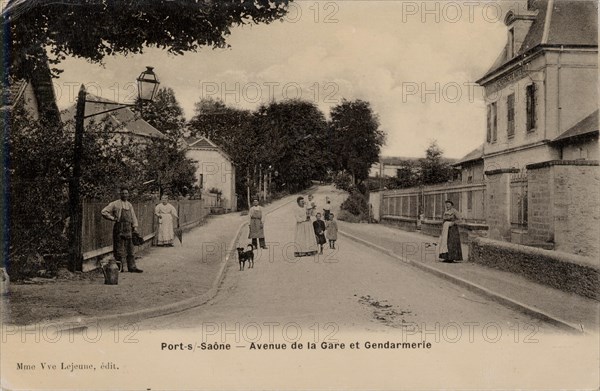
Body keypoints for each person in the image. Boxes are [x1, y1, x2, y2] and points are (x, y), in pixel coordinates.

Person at [101, 187, 143, 273]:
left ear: (128, 194)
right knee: (118, 249)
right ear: (120, 194)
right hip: (119, 227)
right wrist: (112, 218)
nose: (124, 195)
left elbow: (133, 217)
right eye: (123, 193)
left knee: (130, 249)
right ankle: (119, 268)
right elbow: (104, 212)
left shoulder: (129, 205)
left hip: (129, 228)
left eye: (126, 193)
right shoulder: (115, 204)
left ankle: (132, 267)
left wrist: (135, 227)